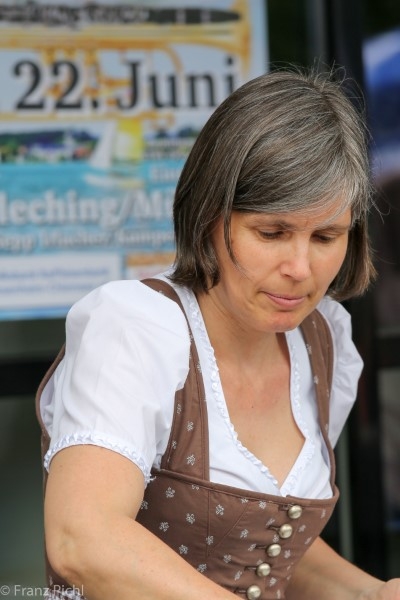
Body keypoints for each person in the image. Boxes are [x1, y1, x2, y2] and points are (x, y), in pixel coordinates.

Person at [37, 67, 400, 600]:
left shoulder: (325, 342)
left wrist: (374, 594)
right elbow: (83, 539)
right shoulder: (136, 327)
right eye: (271, 232)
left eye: (326, 236)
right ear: (209, 217)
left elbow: (266, 544)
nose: (300, 268)